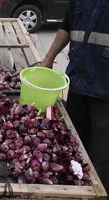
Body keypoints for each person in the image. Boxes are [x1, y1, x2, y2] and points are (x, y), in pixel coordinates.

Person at [41, 0, 109, 194]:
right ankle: (73, 191)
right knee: (73, 146)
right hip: (78, 83)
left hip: (105, 93)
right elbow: (68, 24)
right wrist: (48, 59)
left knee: (101, 160)